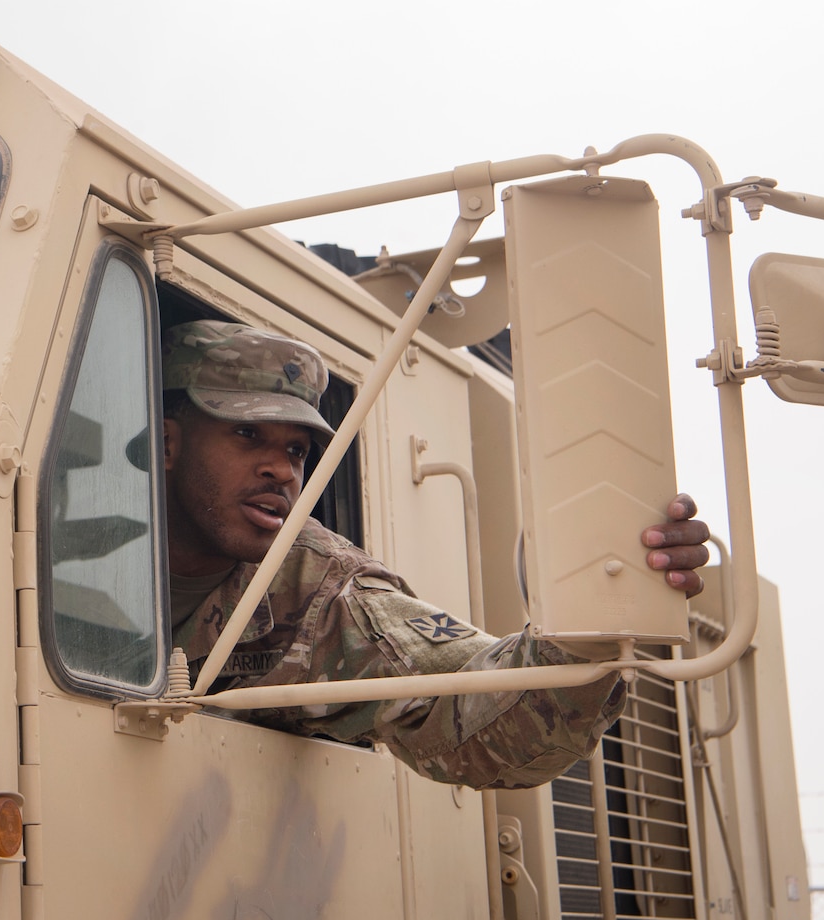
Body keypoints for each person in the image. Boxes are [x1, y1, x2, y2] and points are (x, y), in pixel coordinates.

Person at [160, 320, 710, 789]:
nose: (281, 470)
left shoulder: (319, 588)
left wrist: (596, 606)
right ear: (167, 444)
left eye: (297, 450)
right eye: (248, 433)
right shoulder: (84, 543)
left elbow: (469, 712)